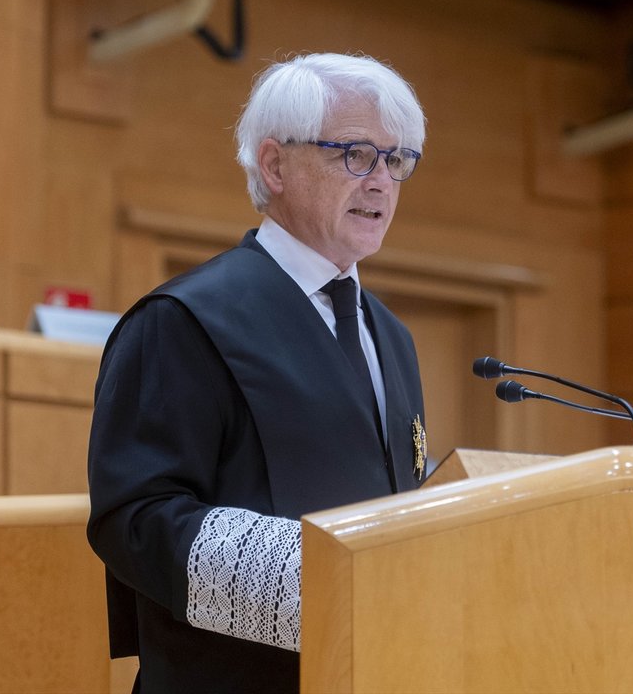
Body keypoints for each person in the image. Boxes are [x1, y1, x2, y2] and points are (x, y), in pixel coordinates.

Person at [87, 52, 428, 693]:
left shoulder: (393, 337)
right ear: (275, 165)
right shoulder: (183, 319)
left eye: (397, 160)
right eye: (356, 154)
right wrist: (316, 578)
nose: (381, 181)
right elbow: (134, 519)